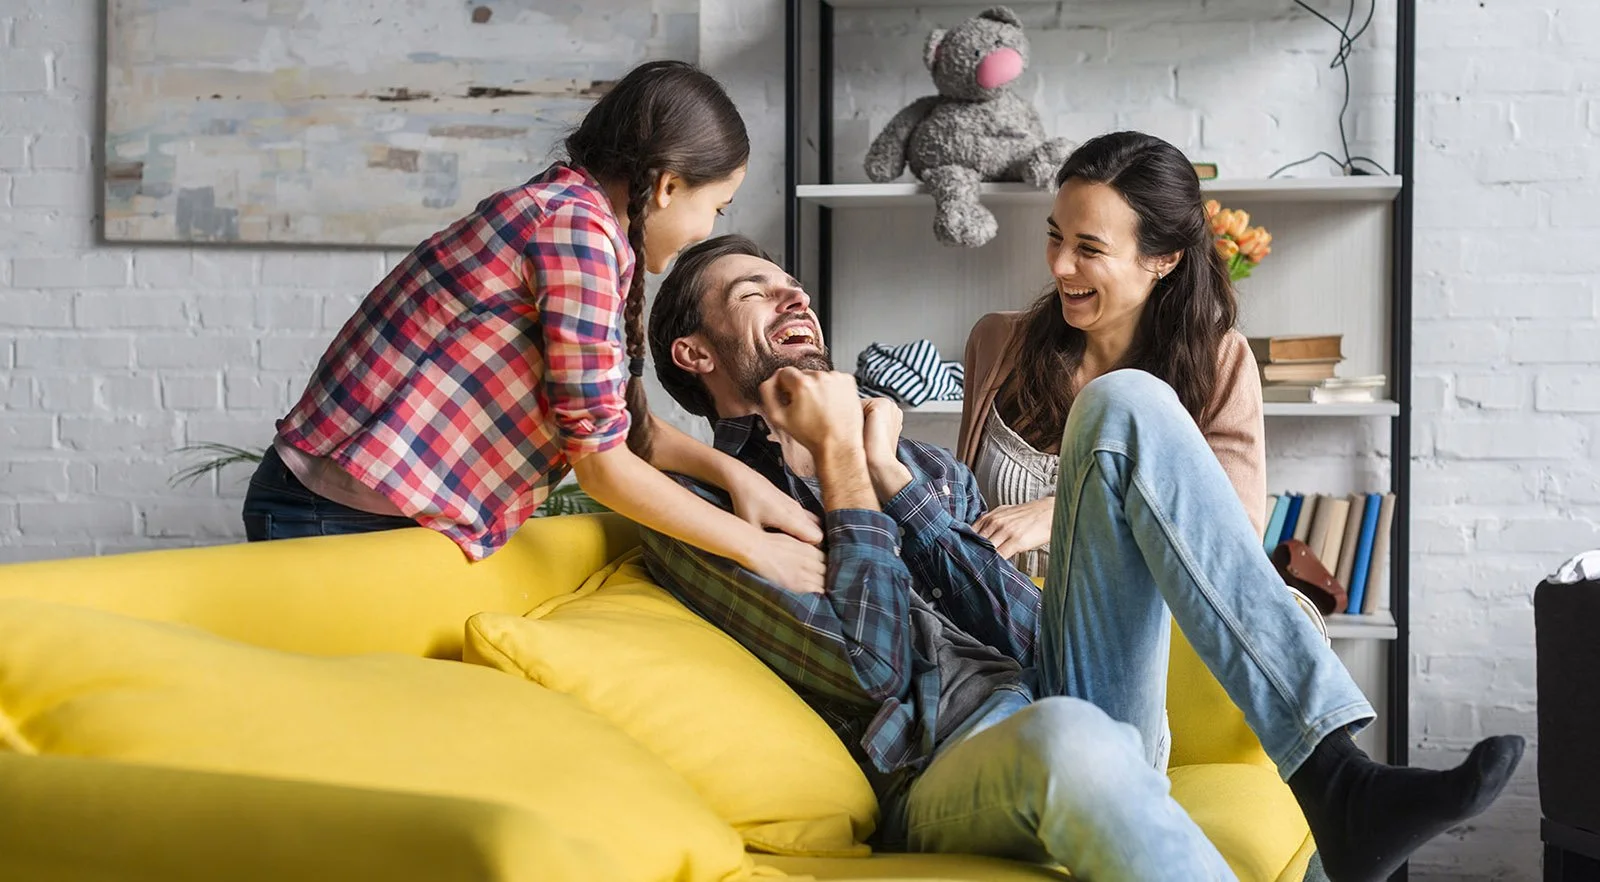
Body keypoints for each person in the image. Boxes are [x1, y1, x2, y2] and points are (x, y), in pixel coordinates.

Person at [637, 233, 1523, 882]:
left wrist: (895, 485)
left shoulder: (920, 466)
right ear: (694, 352)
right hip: (943, 766)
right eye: (755, 292)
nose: (793, 296)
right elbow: (875, 671)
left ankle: (1334, 771)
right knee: (1069, 736)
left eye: (792, 284)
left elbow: (1029, 631)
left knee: (1126, 399)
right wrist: (839, 462)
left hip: (1069, 691)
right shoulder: (705, 514)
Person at [240, 61, 824, 595]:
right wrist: (759, 550)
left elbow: (617, 426)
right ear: (669, 186)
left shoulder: (574, 217)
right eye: (717, 207)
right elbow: (601, 466)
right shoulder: (575, 232)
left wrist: (737, 478)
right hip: (330, 512)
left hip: (356, 507)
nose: (707, 229)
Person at [959, 131, 1264, 578]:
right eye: (1055, 236)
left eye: (1089, 248)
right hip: (989, 620)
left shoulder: (1220, 362)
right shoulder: (997, 343)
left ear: (1164, 259)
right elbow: (962, 513)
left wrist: (1065, 511)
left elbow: (1233, 546)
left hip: (1129, 627)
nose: (1060, 265)